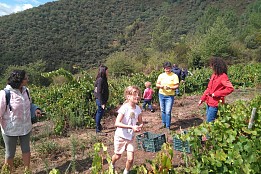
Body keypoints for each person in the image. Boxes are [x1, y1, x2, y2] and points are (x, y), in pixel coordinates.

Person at [0, 70, 42, 172]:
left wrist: (35, 109)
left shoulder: (26, 91)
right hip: (10, 129)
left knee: (26, 149)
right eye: (25, 78)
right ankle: (7, 172)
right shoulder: (5, 94)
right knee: (10, 153)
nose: (27, 79)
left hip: (25, 126)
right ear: (19, 80)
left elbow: (30, 105)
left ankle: (27, 171)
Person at [111, 86, 143, 174]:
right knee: (117, 156)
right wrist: (131, 127)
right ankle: (112, 164)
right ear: (128, 97)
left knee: (130, 158)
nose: (137, 97)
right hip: (120, 136)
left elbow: (141, 122)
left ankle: (126, 171)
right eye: (135, 95)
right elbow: (117, 123)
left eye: (138, 95)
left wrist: (139, 127)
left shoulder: (138, 109)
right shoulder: (124, 108)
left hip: (131, 137)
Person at [198, 57, 234, 123]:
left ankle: (209, 133)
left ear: (216, 66)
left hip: (215, 103)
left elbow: (230, 88)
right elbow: (208, 89)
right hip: (209, 102)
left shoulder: (223, 76)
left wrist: (216, 94)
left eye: (212, 65)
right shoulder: (214, 75)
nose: (211, 67)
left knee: (210, 122)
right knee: (209, 122)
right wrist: (202, 99)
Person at [156, 62, 179, 131]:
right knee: (163, 110)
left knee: (168, 111)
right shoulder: (161, 75)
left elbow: (177, 85)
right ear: (164, 69)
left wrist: (171, 88)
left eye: (169, 68)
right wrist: (161, 86)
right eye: (166, 68)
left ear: (171, 68)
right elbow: (157, 84)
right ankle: (164, 123)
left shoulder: (174, 76)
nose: (167, 70)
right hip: (161, 94)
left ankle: (168, 126)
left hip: (170, 95)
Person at [94, 65, 109, 133]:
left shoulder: (102, 79)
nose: (107, 72)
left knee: (100, 113)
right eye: (106, 70)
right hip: (100, 100)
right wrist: (102, 102)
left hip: (101, 100)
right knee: (99, 113)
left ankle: (99, 126)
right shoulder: (100, 80)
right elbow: (99, 92)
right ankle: (98, 129)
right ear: (103, 71)